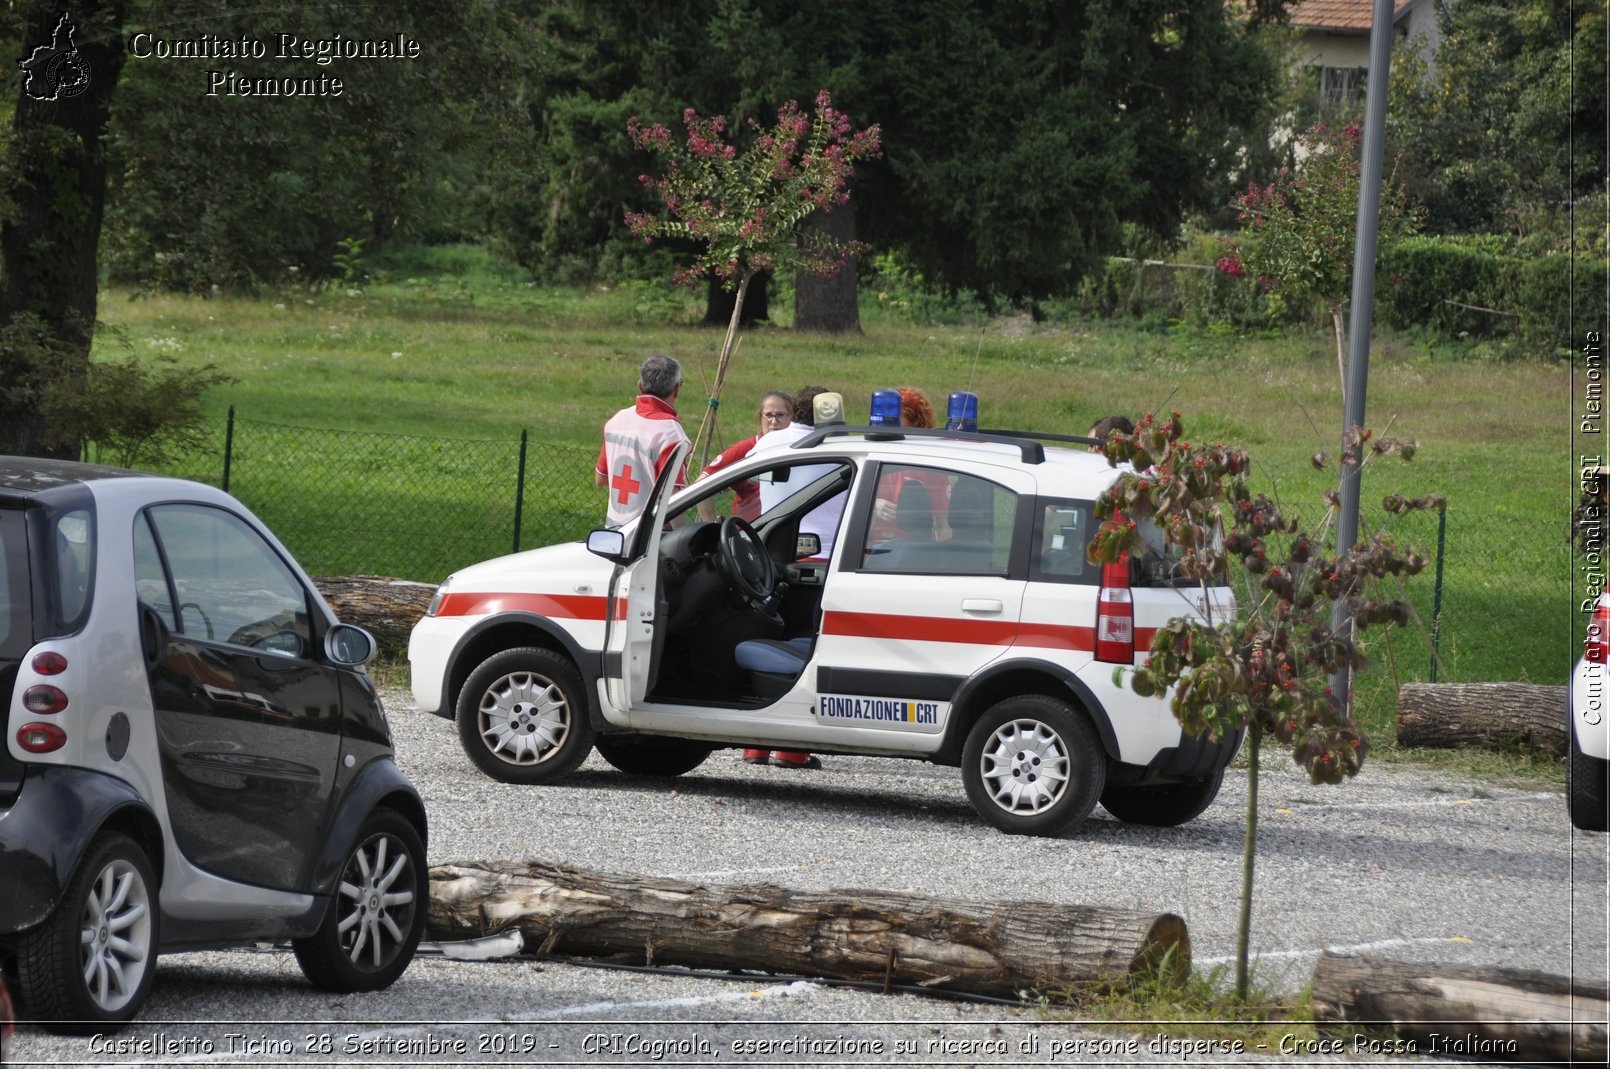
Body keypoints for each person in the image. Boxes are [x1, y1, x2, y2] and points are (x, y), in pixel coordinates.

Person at [741, 385, 841, 771]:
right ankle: (792, 749)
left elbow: (742, 468)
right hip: (822, 563)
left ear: (794, 411)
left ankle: (755, 744)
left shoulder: (769, 443)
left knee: (770, 646)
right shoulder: (833, 447)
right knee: (806, 656)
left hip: (770, 558)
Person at [595, 354, 690, 527]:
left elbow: (601, 478)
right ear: (676, 389)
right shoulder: (670, 432)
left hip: (614, 531)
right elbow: (672, 497)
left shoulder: (616, 420)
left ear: (640, 385)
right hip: (649, 539)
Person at [695, 391, 793, 522]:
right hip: (748, 534)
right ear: (760, 417)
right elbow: (701, 486)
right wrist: (713, 528)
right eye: (768, 415)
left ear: (792, 418)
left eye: (780, 415)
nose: (774, 422)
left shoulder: (801, 448)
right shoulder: (747, 449)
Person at [869, 387, 951, 543]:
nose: (890, 425)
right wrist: (874, 506)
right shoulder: (869, 457)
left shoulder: (931, 463)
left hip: (915, 551)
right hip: (870, 548)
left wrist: (943, 560)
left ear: (916, 423)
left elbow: (943, 524)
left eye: (896, 419)